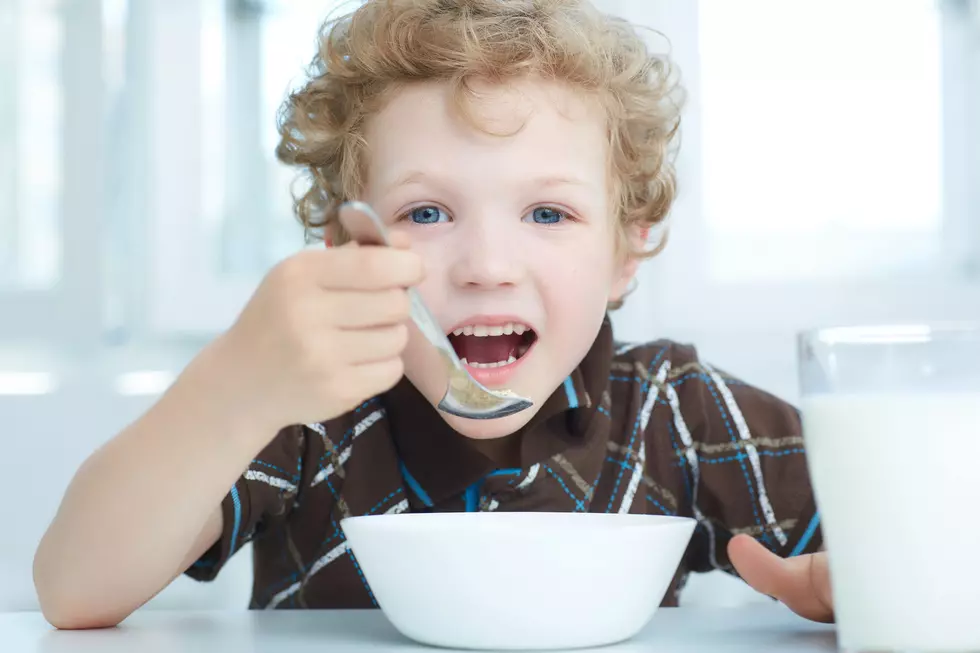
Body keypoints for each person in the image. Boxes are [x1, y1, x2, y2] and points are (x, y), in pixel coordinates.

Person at [33, 0, 833, 629]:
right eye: (427, 213)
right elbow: (75, 590)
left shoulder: (674, 408)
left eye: (548, 214)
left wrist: (858, 578)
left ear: (627, 251)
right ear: (352, 247)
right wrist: (234, 386)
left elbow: (911, 544)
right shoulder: (303, 416)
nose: (486, 265)